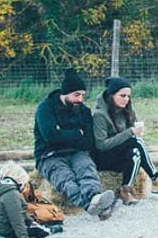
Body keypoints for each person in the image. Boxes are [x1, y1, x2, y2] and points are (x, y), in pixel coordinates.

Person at [34, 69, 116, 219]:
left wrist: (62, 133)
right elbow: (50, 136)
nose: (80, 99)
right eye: (76, 95)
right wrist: (77, 133)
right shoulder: (45, 108)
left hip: (76, 152)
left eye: (83, 95)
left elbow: (89, 140)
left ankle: (95, 197)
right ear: (65, 94)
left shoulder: (83, 111)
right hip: (49, 155)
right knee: (65, 179)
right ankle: (91, 205)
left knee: (87, 169)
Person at [92, 77, 158, 204]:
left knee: (135, 152)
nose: (126, 99)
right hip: (103, 157)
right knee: (136, 141)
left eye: (128, 96)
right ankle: (156, 180)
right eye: (122, 95)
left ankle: (125, 190)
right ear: (112, 95)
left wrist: (135, 131)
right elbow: (101, 145)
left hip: (120, 155)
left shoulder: (126, 110)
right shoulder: (100, 115)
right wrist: (130, 132)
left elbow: (130, 138)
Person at [0, 161, 52, 238]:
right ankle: (51, 230)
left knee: (37, 226)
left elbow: (21, 212)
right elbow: (16, 217)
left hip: (0, 227)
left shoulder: (4, 189)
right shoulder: (11, 193)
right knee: (40, 232)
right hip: (6, 230)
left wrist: (30, 222)